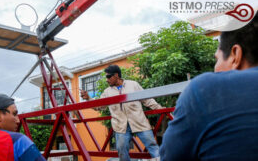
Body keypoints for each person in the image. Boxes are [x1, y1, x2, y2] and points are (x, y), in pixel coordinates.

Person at [159, 14, 258, 161]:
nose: (215, 68)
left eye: (217, 59)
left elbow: (169, 157)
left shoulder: (206, 90)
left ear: (235, 54)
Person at [81, 65, 163, 161]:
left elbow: (147, 99)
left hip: (139, 123)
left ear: (116, 75)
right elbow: (99, 106)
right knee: (122, 152)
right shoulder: (107, 92)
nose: (107, 80)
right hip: (120, 127)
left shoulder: (133, 85)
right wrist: (88, 98)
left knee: (153, 146)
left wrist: (161, 109)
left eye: (108, 77)